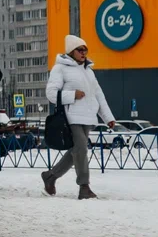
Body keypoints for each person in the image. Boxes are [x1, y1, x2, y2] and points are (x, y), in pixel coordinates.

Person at [42, 34, 115, 200]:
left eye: (85, 50)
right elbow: (51, 93)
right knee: (81, 148)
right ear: (71, 51)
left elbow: (98, 95)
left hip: (88, 117)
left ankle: (50, 176)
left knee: (75, 151)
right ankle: (84, 187)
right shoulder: (60, 68)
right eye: (79, 50)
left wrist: (108, 117)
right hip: (70, 117)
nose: (83, 53)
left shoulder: (88, 71)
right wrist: (72, 95)